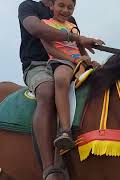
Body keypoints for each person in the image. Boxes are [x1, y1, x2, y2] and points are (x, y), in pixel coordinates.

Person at [18, 0, 103, 179]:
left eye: (69, 6)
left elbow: (77, 47)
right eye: (61, 6)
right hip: (38, 65)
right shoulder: (28, 6)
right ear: (52, 7)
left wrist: (87, 59)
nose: (65, 10)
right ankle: (49, 168)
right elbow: (36, 29)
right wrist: (77, 39)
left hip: (70, 63)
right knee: (47, 92)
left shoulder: (70, 19)